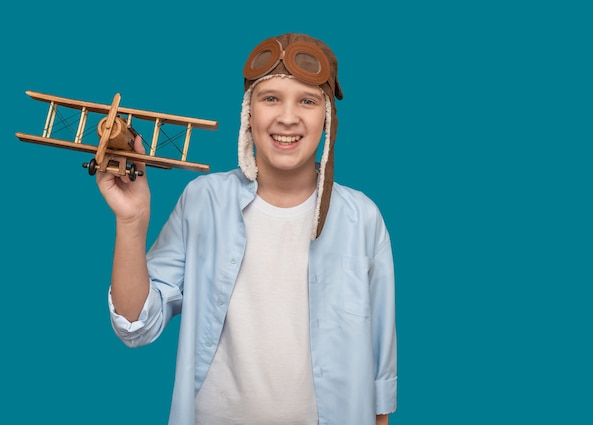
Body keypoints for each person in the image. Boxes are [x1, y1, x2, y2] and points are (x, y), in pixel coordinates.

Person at [97, 32, 397, 425]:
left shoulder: (362, 218)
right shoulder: (203, 201)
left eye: (307, 101)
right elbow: (137, 324)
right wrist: (132, 221)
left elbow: (380, 371)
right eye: (270, 97)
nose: (287, 117)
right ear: (248, 112)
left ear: (327, 118)